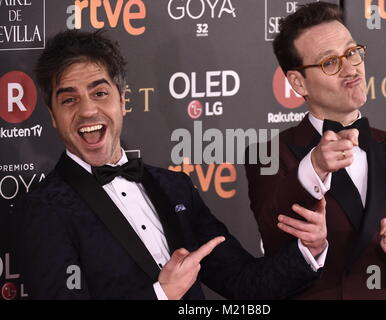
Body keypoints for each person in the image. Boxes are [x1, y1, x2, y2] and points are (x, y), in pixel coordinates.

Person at [12, 29, 328, 300]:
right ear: (53, 116)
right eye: (69, 100)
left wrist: (308, 250)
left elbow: (245, 282)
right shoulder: (42, 209)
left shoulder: (174, 187)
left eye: (100, 93)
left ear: (123, 101)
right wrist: (162, 294)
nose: (87, 111)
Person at [245, 2, 386, 299]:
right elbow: (274, 242)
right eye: (330, 62)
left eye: (352, 53)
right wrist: (313, 167)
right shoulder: (268, 156)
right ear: (298, 83)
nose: (351, 68)